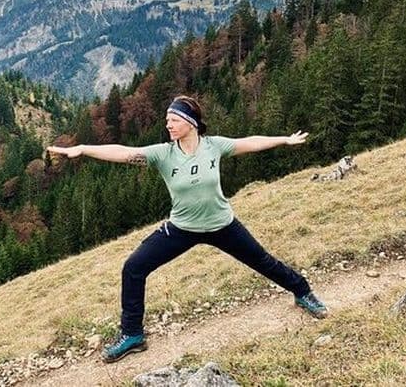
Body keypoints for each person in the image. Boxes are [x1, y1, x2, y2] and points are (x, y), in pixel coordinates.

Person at [46, 95, 327, 363]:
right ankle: (132, 335)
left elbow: (249, 142)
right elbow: (124, 153)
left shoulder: (214, 146)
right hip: (182, 228)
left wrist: (284, 140)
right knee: (133, 267)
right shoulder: (163, 154)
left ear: (190, 122)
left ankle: (302, 291)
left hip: (222, 225)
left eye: (174, 120)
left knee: (262, 260)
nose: (168, 125)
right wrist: (83, 149)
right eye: (167, 120)